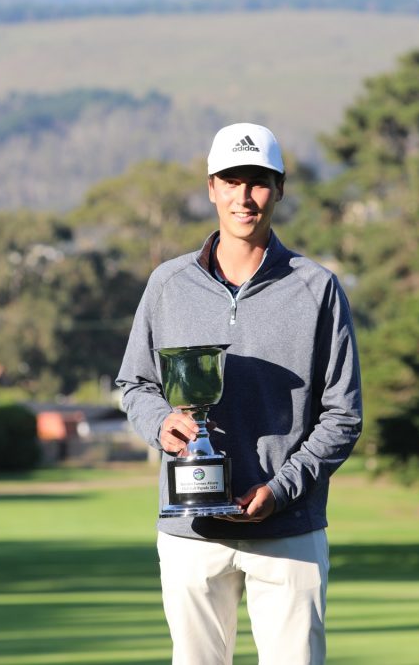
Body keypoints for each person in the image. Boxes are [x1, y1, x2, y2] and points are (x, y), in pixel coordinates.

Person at [116, 122, 362, 665]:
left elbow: (342, 414)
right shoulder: (168, 284)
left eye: (258, 182)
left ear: (279, 189)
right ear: (211, 188)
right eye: (231, 181)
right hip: (189, 528)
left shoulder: (317, 287)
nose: (243, 197)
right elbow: (135, 383)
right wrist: (161, 423)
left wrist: (281, 488)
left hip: (289, 527)